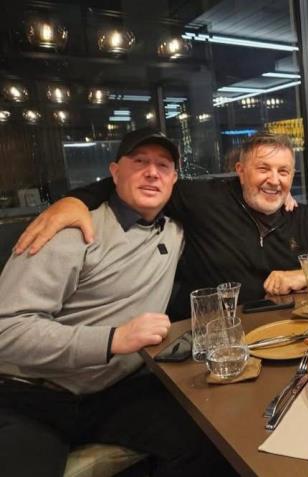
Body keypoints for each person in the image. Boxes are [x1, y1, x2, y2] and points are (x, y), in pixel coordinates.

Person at [0, 128, 231, 476]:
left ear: (174, 179)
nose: (152, 172)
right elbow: (6, 330)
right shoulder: (68, 231)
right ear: (114, 172)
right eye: (139, 162)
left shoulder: (176, 232)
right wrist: (112, 339)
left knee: (210, 441)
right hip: (30, 396)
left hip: (110, 393)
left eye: (163, 165)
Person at [15, 132, 308, 318]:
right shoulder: (203, 198)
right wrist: (75, 200)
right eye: (263, 169)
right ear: (239, 170)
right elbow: (141, 183)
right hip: (216, 337)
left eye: (283, 172)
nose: (274, 180)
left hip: (291, 333)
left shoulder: (300, 216)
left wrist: (306, 274)